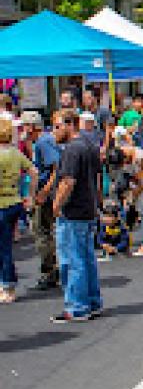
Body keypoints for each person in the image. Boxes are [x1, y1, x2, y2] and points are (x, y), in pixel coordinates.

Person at [50, 110, 104, 322]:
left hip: (73, 211)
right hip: (87, 209)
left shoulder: (72, 149)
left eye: (56, 126)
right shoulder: (89, 145)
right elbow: (98, 177)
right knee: (86, 258)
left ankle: (77, 306)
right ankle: (92, 301)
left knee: (72, 260)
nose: (54, 131)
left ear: (69, 125)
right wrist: (98, 203)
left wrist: (56, 204)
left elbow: (68, 181)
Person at [0, 118, 35, 303]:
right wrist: (29, 194)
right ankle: (6, 283)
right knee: (6, 247)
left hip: (2, 204)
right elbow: (33, 171)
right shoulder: (15, 153)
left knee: (3, 248)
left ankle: (7, 285)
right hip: (14, 201)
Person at [26, 112, 61, 291]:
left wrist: (45, 191)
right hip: (46, 191)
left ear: (32, 126)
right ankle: (52, 269)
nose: (24, 130)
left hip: (46, 193)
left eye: (25, 126)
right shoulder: (42, 141)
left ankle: (50, 271)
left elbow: (56, 166)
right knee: (43, 230)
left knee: (41, 231)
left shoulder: (43, 142)